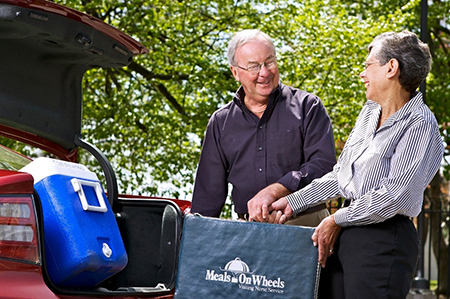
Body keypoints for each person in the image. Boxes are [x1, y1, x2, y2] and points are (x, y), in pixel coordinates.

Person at [249, 30, 445, 298]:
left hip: (382, 241)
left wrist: (336, 219)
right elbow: (341, 175)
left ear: (391, 68)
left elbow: (394, 197)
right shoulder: (369, 113)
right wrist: (294, 201)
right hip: (344, 236)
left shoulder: (420, 124)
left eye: (368, 66)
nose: (362, 74)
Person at [190, 29, 336, 226]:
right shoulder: (220, 122)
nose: (264, 73)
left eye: (269, 62)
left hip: (306, 222)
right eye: (254, 67)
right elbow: (207, 196)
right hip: (248, 228)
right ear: (235, 72)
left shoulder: (309, 106)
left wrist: (277, 189)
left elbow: (323, 165)